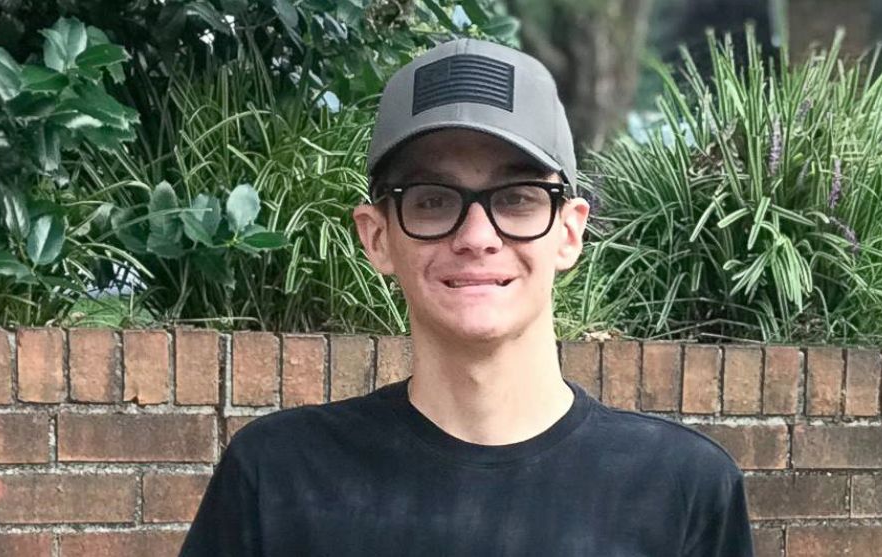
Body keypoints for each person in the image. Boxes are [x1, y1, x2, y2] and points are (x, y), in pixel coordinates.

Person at [179, 38, 754, 557]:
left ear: (570, 231)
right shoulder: (278, 475)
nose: (477, 237)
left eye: (517, 198)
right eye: (431, 200)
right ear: (377, 236)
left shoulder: (683, 488)